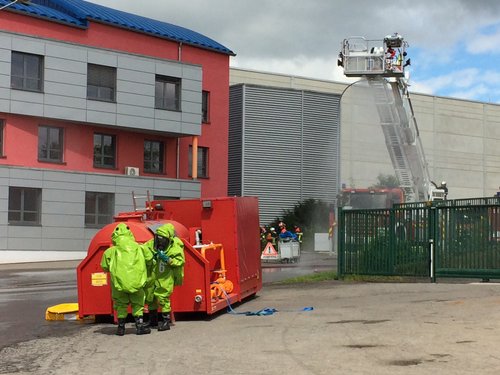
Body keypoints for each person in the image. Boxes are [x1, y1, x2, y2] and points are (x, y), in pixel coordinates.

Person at [100, 223, 153, 336]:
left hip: (118, 284)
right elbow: (150, 259)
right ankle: (139, 327)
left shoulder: (110, 251)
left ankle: (121, 328)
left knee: (121, 305)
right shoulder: (140, 248)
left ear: (115, 236)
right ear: (130, 234)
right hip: (137, 282)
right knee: (138, 304)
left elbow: (104, 266)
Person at [143, 223, 185, 331]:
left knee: (163, 297)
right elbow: (143, 250)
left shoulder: (175, 247)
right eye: (158, 239)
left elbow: (180, 262)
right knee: (150, 297)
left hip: (165, 276)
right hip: (152, 275)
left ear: (169, 240)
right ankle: (153, 321)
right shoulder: (150, 244)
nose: (160, 242)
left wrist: (168, 259)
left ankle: (166, 321)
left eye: (163, 240)